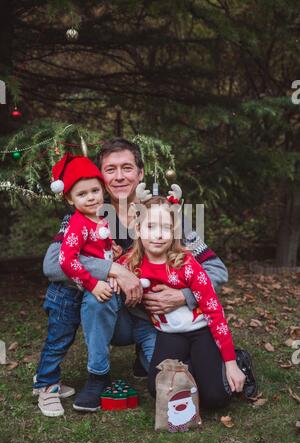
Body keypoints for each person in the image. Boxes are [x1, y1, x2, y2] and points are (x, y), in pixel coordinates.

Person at [42, 138, 236, 412]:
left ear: (140, 173)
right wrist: (115, 269)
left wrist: (183, 296)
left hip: (158, 323)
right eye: (110, 169)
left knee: (180, 379)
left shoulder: (167, 215)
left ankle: (214, 359)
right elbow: (52, 264)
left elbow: (216, 269)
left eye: (127, 167)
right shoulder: (84, 214)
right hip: (113, 317)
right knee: (100, 293)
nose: (119, 176)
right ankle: (97, 376)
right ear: (101, 175)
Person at [119, 187, 251, 408]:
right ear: (139, 229)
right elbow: (112, 269)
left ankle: (233, 360)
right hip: (169, 334)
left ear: (174, 232)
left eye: (166, 228)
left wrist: (230, 363)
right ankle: (195, 366)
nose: (159, 235)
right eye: (151, 227)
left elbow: (214, 312)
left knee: (216, 398)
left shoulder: (188, 266)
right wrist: (115, 276)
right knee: (157, 389)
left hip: (201, 331)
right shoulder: (130, 264)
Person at [34, 152, 122, 417]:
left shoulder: (100, 219)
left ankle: (46, 380)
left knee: (65, 338)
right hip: (65, 294)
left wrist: (112, 251)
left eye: (95, 190)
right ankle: (46, 386)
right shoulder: (76, 223)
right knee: (58, 341)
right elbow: (67, 261)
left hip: (77, 292)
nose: (91, 197)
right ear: (70, 199)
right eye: (82, 194)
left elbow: (95, 249)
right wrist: (94, 283)